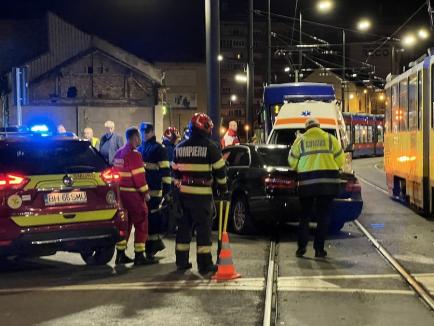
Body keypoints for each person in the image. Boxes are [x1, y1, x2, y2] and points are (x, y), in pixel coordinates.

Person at [172, 112, 228, 274]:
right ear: (205, 128)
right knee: (203, 231)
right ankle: (204, 265)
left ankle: (181, 262)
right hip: (202, 197)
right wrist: (223, 189)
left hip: (183, 195)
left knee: (183, 229)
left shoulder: (179, 147)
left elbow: (174, 172)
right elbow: (220, 171)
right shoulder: (211, 147)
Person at [288, 118, 345, 258]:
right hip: (327, 185)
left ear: (306, 128)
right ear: (319, 127)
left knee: (305, 217)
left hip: (306, 185)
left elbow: (292, 162)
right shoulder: (330, 139)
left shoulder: (300, 141)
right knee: (323, 217)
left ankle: (301, 248)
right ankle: (319, 249)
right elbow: (340, 160)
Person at [113, 127, 156, 265]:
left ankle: (120, 255)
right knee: (141, 221)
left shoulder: (118, 153)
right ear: (135, 137)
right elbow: (139, 178)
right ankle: (139, 256)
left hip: (121, 194)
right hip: (133, 195)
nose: (140, 140)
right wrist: (146, 193)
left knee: (124, 224)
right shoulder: (135, 155)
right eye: (139, 137)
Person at [138, 122, 171, 261]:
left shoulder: (159, 148)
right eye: (142, 132)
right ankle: (148, 248)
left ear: (152, 132)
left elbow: (165, 170)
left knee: (152, 219)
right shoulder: (140, 147)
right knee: (145, 220)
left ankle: (151, 249)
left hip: (155, 190)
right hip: (143, 190)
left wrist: (167, 190)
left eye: (147, 132)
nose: (144, 134)